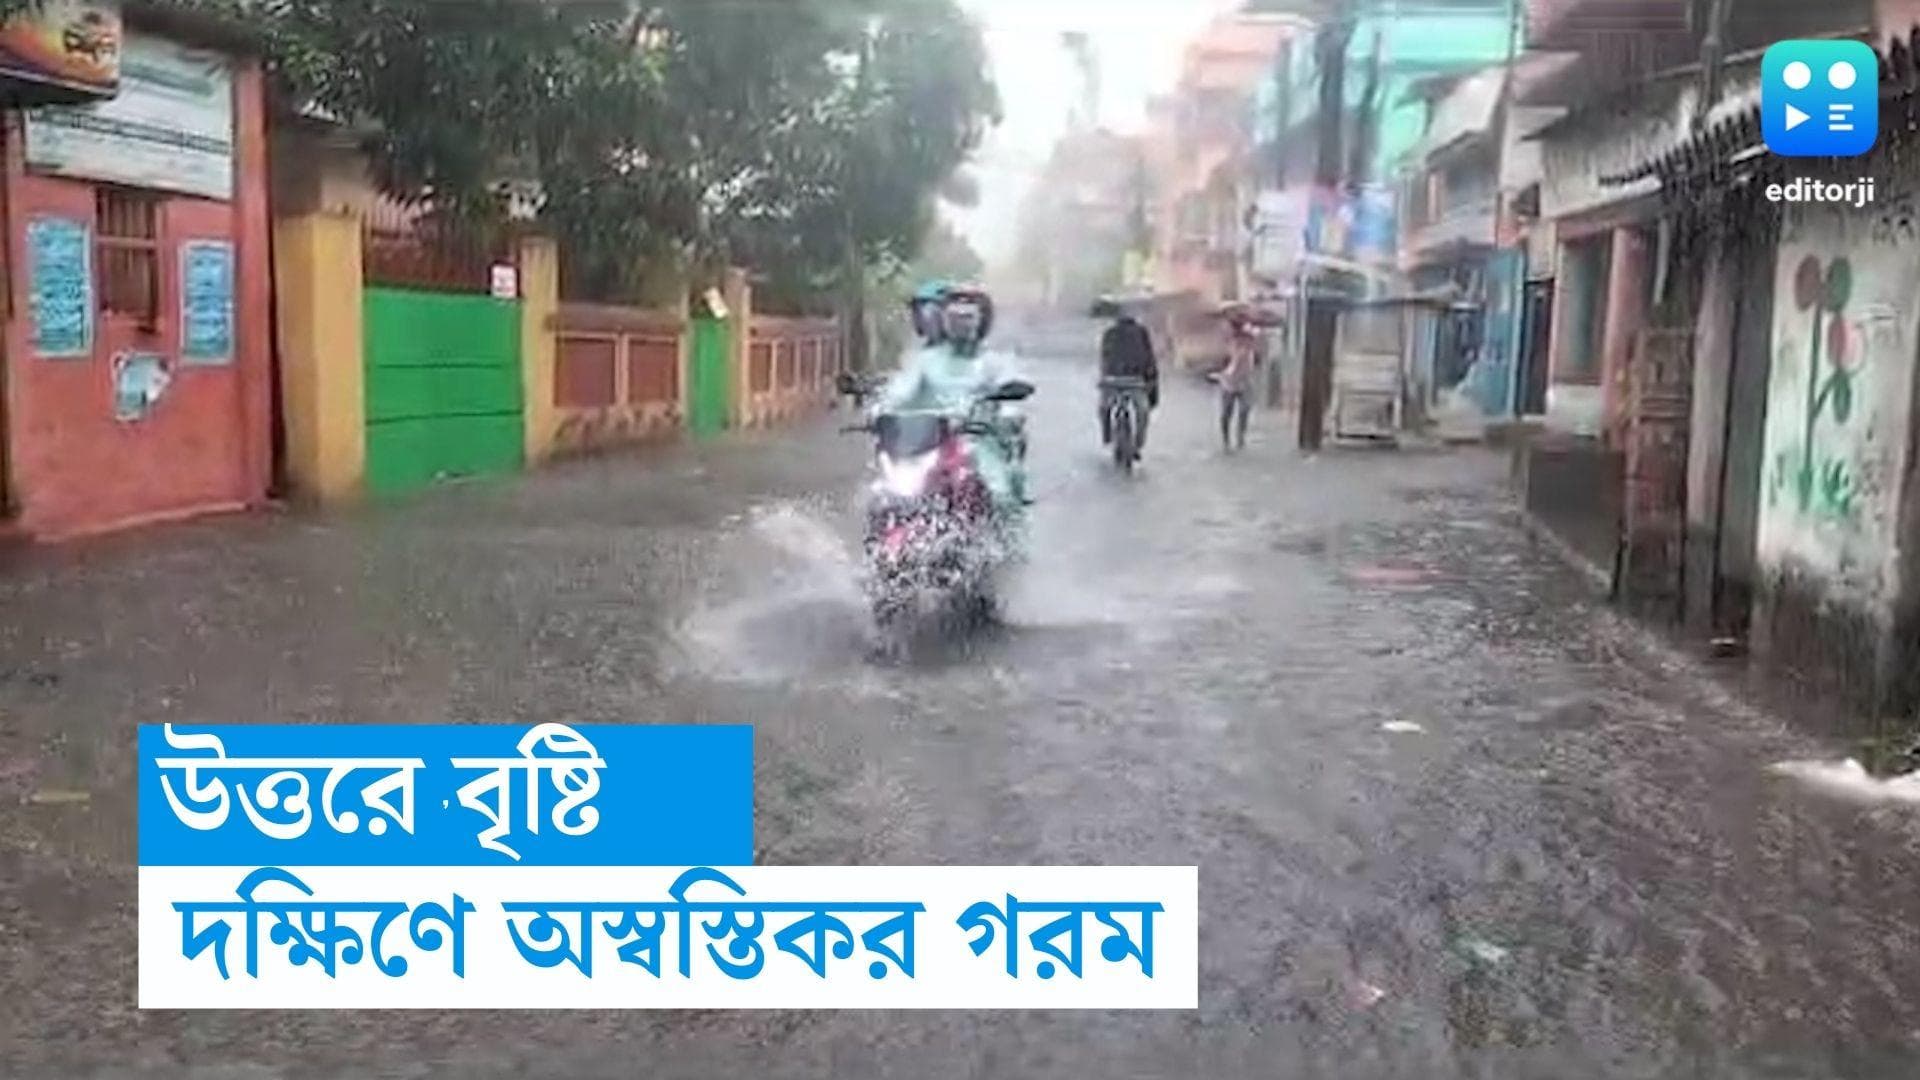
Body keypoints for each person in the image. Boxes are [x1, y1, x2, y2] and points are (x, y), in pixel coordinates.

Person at [874, 284, 1031, 514]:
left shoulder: (993, 363)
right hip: (931, 442)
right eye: (955, 316)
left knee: (1000, 493)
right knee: (885, 494)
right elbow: (901, 390)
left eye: (968, 317)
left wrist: (1008, 415)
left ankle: (1003, 544)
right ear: (944, 320)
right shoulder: (925, 360)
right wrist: (882, 408)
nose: (961, 323)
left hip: (978, 444)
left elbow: (1010, 395)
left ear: (981, 321)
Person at [1098, 307, 1159, 455]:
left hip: (1115, 381)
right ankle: (1138, 444)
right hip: (1134, 382)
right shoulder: (1140, 332)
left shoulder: (1110, 334)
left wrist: (1103, 379)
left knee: (1104, 409)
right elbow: (1150, 359)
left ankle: (1107, 437)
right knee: (1142, 413)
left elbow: (1104, 359)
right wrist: (1152, 383)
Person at [1218, 312, 1261, 452]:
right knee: (1226, 413)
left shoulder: (1250, 340)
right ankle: (1226, 440)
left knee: (1244, 410)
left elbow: (1257, 356)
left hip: (1245, 380)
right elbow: (1224, 362)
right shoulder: (1228, 342)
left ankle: (1240, 437)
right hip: (1229, 381)